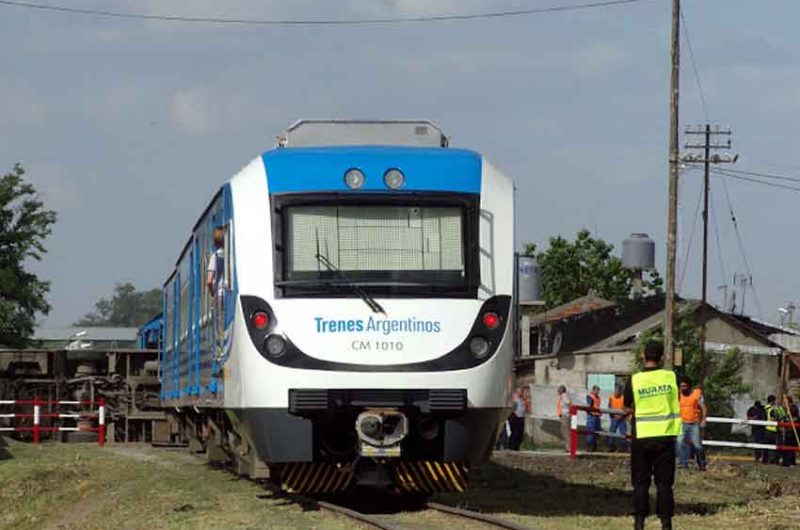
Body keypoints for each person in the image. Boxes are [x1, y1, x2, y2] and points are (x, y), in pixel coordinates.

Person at [624, 340, 680, 530]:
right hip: (665, 437)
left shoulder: (634, 380)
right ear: (662, 357)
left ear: (643, 355)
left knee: (640, 482)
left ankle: (639, 521)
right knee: (664, 484)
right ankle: (666, 523)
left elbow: (626, 407)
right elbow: (676, 401)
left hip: (641, 437)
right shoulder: (671, 377)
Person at [676, 377, 707, 471]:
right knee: (680, 443)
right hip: (681, 422)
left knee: (697, 445)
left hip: (694, 423)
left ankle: (702, 464)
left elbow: (703, 407)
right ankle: (683, 464)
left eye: (685, 386)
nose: (683, 388)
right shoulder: (677, 394)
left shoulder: (696, 393)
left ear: (689, 385)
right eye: (681, 386)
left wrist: (704, 419)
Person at [764, 395, 784, 464]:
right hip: (772, 429)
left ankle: (766, 460)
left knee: (766, 446)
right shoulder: (772, 409)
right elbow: (777, 418)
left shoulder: (765, 408)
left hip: (766, 428)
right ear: (772, 401)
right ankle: (773, 460)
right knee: (774, 446)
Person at [608, 386, 628, 452]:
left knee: (623, 433)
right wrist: (614, 415)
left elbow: (625, 407)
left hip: (622, 418)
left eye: (617, 391)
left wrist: (621, 416)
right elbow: (610, 407)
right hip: (614, 418)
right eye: (615, 391)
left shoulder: (623, 398)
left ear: (620, 392)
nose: (616, 393)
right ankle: (611, 447)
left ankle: (623, 448)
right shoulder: (611, 398)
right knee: (612, 432)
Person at [782, 396, 798, 467]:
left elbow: (795, 418)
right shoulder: (785, 410)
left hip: (792, 432)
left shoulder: (793, 408)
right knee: (786, 447)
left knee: (790, 447)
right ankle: (786, 462)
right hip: (788, 431)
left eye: (785, 402)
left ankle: (790, 462)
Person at [586, 385, 602, 452]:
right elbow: (590, 406)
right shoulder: (590, 397)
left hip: (597, 416)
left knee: (596, 432)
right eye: (596, 390)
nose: (597, 392)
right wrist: (592, 412)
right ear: (593, 390)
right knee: (591, 432)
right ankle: (589, 447)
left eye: (598, 390)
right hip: (592, 416)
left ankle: (594, 447)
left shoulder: (598, 398)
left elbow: (597, 406)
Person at [557, 385, 572, 453]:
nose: (558, 391)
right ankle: (567, 447)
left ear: (562, 390)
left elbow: (568, 403)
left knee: (566, 431)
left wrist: (569, 412)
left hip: (566, 415)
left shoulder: (564, 396)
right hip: (564, 415)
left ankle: (568, 448)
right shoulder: (562, 396)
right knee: (564, 431)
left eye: (559, 389)